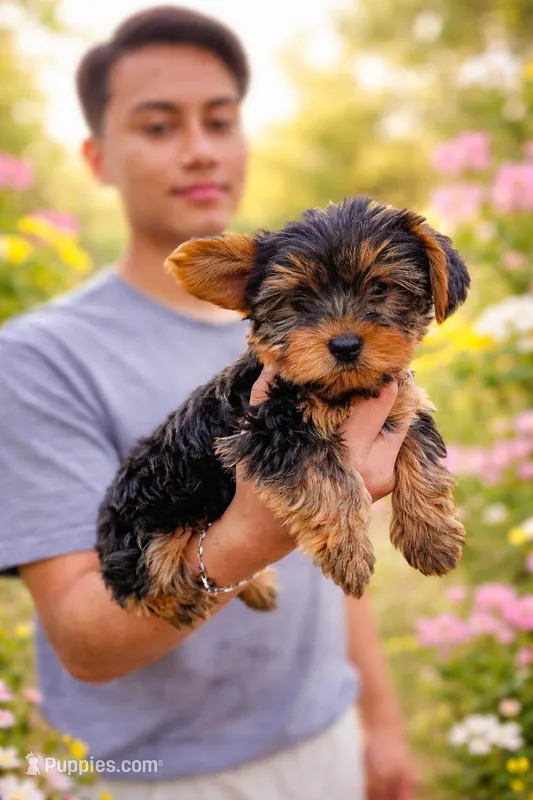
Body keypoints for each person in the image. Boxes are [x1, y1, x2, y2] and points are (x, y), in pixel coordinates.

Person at [0, 7, 419, 799]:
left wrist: (379, 720)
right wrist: (247, 536)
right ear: (96, 157)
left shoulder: (326, 328)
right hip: (147, 777)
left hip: (321, 735)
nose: (198, 148)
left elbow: (331, 541)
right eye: (158, 126)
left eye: (218, 120)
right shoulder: (37, 360)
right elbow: (84, 640)